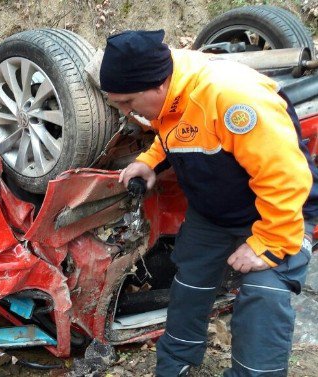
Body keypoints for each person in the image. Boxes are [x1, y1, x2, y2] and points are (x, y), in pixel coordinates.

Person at [100, 30, 318, 376]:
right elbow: (173, 129)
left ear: (157, 85)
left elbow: (287, 178)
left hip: (280, 211)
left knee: (264, 294)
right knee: (189, 283)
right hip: (215, 212)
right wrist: (150, 160)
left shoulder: (232, 99)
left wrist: (268, 244)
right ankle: (175, 366)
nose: (127, 113)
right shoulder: (169, 90)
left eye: (127, 102)